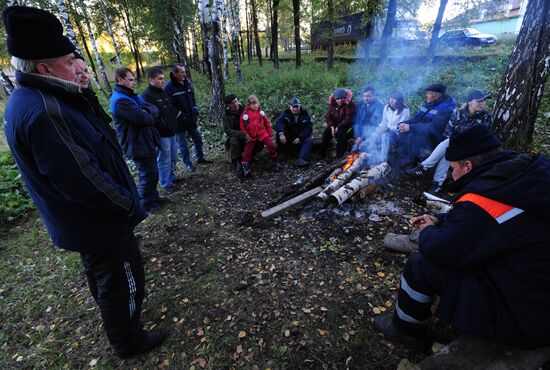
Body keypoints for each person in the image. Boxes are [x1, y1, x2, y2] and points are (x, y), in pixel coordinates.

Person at [2, 5, 168, 358]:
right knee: (121, 276)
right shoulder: (45, 110)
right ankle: (129, 339)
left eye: (77, 58)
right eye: (70, 61)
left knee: (103, 276)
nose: (81, 67)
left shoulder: (46, 96)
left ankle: (120, 325)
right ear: (44, 68)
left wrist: (85, 90)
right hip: (99, 220)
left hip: (83, 222)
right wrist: (126, 204)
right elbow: (82, 179)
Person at [374, 125, 550, 351]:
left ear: (467, 165)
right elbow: (490, 223)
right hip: (535, 285)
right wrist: (440, 219)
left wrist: (427, 230)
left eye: (452, 167)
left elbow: (441, 250)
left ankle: (405, 330)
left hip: (526, 315)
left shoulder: (484, 199)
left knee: (421, 264)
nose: (451, 173)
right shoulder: (524, 174)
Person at [406, 89, 493, 195]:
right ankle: (437, 183)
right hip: (455, 147)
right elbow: (448, 131)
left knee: (449, 144)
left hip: (473, 150)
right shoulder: (458, 114)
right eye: (479, 100)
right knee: (449, 148)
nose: (482, 103)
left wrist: (460, 142)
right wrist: (456, 142)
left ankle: (425, 167)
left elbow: (483, 138)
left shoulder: (485, 117)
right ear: (470, 101)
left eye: (484, 101)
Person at [111, 67, 163, 212]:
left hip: (144, 141)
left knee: (152, 172)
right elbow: (145, 118)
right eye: (131, 80)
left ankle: (153, 197)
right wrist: (147, 112)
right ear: (120, 80)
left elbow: (153, 109)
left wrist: (147, 111)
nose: (134, 83)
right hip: (136, 144)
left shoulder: (131, 96)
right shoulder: (121, 101)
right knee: (147, 174)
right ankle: (146, 203)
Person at [164, 63, 212, 172]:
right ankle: (187, 163)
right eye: (182, 72)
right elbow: (169, 106)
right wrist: (180, 115)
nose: (184, 74)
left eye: (185, 71)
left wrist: (195, 109)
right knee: (183, 145)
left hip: (191, 119)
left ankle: (200, 158)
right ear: (175, 73)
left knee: (198, 139)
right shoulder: (168, 88)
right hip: (178, 122)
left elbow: (192, 97)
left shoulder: (186, 83)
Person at [396, 84, 455, 168]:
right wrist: (405, 123)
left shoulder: (446, 108)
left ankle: (413, 162)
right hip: (425, 132)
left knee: (412, 135)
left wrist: (410, 128)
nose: (426, 95)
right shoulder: (428, 102)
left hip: (436, 137)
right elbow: (417, 117)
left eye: (429, 93)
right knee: (403, 131)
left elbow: (433, 127)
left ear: (436, 95)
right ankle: (406, 158)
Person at [141, 67, 180, 191]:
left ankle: (172, 177)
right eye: (160, 79)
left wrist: (174, 124)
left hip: (172, 131)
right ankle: (165, 183)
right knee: (164, 159)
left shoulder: (162, 91)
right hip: (162, 135)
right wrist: (163, 127)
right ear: (151, 79)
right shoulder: (146, 95)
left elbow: (169, 109)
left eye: (163, 79)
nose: (163, 81)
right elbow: (151, 118)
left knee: (173, 156)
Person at [239, 95, 282, 176]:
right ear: (249, 104)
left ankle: (275, 159)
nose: (255, 105)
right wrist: (245, 134)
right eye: (252, 104)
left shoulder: (261, 112)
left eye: (256, 103)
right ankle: (245, 165)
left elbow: (267, 123)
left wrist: (270, 134)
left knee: (271, 144)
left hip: (262, 132)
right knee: (247, 150)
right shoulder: (245, 114)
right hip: (251, 135)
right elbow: (242, 126)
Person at [223, 94, 263, 173]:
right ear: (228, 105)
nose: (235, 104)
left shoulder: (246, 109)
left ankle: (252, 155)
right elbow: (228, 130)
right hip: (237, 137)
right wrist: (243, 135)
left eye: (236, 101)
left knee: (260, 137)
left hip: (250, 133)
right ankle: (239, 161)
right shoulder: (226, 115)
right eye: (232, 103)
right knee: (233, 140)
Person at [275, 97, 313, 167]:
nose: (295, 109)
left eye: (297, 107)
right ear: (290, 107)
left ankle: (302, 159)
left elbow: (309, 128)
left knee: (309, 139)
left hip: (299, 137)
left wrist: (300, 137)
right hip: (288, 137)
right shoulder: (285, 113)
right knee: (279, 134)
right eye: (293, 107)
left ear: (300, 106)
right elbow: (279, 123)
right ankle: (280, 158)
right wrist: (281, 133)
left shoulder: (305, 114)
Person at [319, 88, 356, 159]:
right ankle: (322, 153)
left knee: (340, 132)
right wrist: (332, 127)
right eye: (337, 99)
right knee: (326, 132)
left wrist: (338, 127)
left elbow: (348, 119)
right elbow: (328, 117)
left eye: (341, 98)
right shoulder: (332, 104)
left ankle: (340, 155)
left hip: (348, 126)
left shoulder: (349, 104)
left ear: (345, 97)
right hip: (336, 124)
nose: (339, 101)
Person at [353, 86, 384, 152]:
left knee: (361, 149)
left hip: (372, 134)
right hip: (360, 134)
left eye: (368, 96)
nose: (365, 98)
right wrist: (357, 136)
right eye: (364, 96)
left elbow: (375, 124)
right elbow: (357, 121)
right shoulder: (360, 104)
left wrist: (362, 137)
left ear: (374, 96)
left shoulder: (379, 106)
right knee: (354, 149)